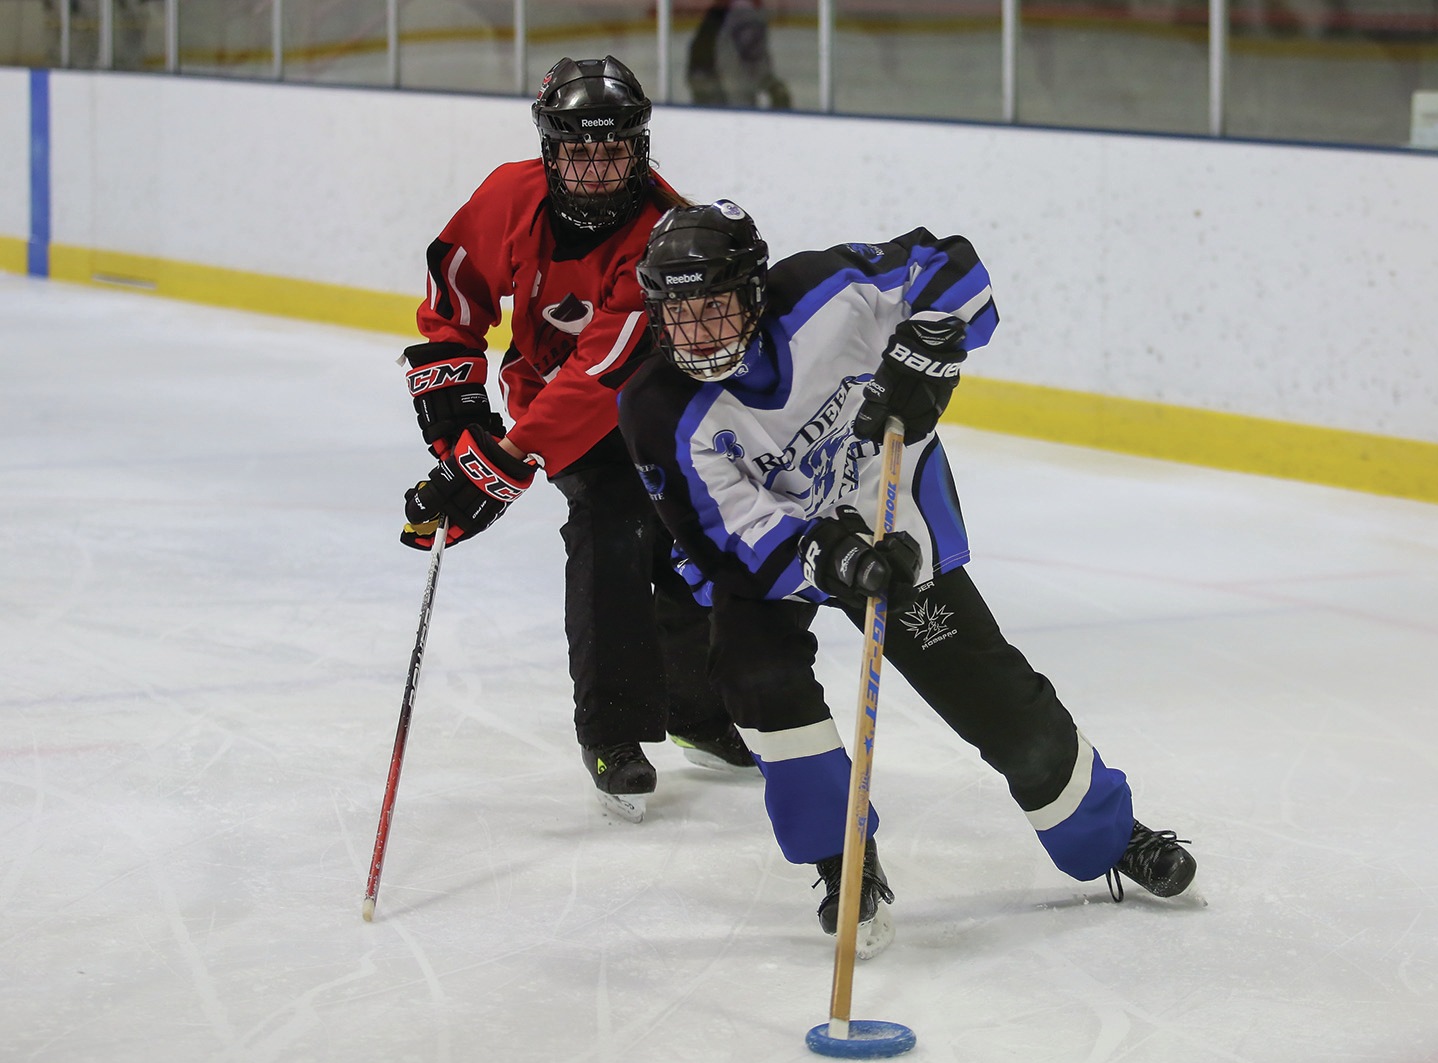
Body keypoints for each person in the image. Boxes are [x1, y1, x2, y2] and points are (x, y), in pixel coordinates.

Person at [617, 199, 1197, 957]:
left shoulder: (829, 291)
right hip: (783, 559)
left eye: (716, 307)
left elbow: (955, 266)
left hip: (886, 515)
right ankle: (843, 861)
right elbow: (728, 536)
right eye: (679, 314)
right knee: (759, 685)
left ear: (755, 290)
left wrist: (928, 346)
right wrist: (834, 556)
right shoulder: (656, 406)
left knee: (995, 695)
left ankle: (1108, 836)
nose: (699, 332)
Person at [397, 58, 756, 824]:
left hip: (657, 405)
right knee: (614, 522)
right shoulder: (507, 194)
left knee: (694, 542)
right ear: (550, 148)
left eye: (614, 151)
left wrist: (506, 462)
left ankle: (698, 707)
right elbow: (454, 297)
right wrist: (457, 419)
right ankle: (615, 733)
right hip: (543, 400)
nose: (597, 170)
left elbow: (606, 370)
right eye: (579, 152)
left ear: (640, 146)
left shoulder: (662, 229)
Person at [687, 0, 793, 109]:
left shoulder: (752, 10)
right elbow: (726, 58)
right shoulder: (740, 11)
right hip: (709, 76)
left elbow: (755, 53)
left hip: (710, 74)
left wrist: (767, 82)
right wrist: (743, 100)